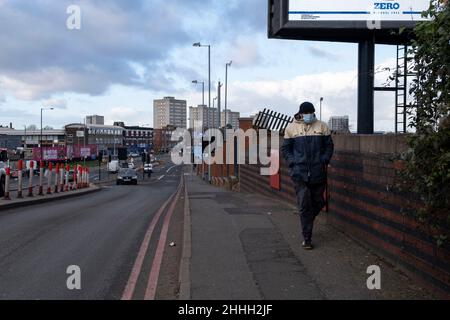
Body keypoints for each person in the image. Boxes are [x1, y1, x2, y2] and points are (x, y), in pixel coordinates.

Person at [281, 102, 334, 250]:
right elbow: (286, 149)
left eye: (312, 112)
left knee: (319, 202)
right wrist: (293, 162)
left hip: (318, 172)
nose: (309, 115)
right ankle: (307, 238)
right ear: (301, 113)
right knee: (304, 205)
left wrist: (324, 159)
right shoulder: (291, 128)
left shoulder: (322, 126)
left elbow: (329, 146)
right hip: (300, 173)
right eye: (307, 113)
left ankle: (307, 221)